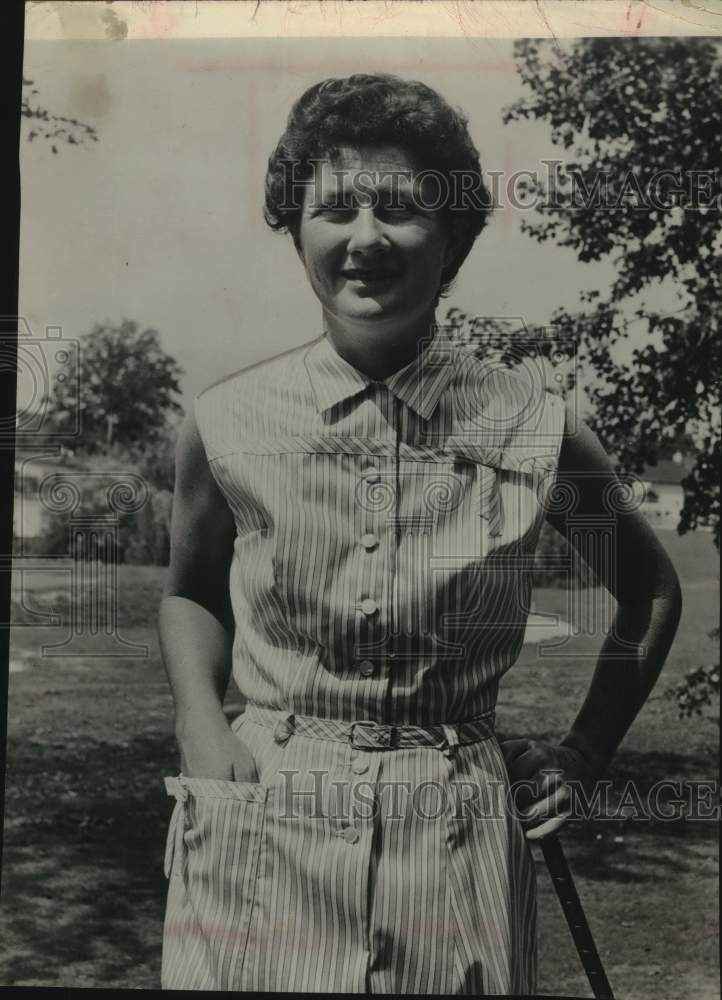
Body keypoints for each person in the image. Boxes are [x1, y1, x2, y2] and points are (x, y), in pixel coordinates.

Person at [157, 73, 682, 994]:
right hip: (261, 811)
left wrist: (586, 755)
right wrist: (202, 723)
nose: (366, 238)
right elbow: (192, 593)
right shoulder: (228, 420)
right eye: (334, 209)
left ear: (455, 238)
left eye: (401, 209)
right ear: (296, 230)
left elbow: (649, 592)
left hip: (459, 827)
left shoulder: (537, 428)